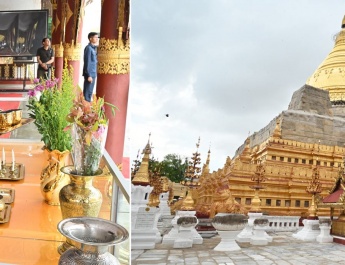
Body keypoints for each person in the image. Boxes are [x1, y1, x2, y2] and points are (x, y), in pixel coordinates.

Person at [83, 32, 99, 102]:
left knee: (90, 92)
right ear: (90, 38)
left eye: (97, 37)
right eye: (95, 37)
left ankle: (87, 107)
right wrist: (89, 75)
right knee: (87, 92)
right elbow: (87, 61)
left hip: (93, 72)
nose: (97, 39)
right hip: (90, 73)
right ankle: (85, 108)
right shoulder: (88, 48)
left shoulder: (93, 48)